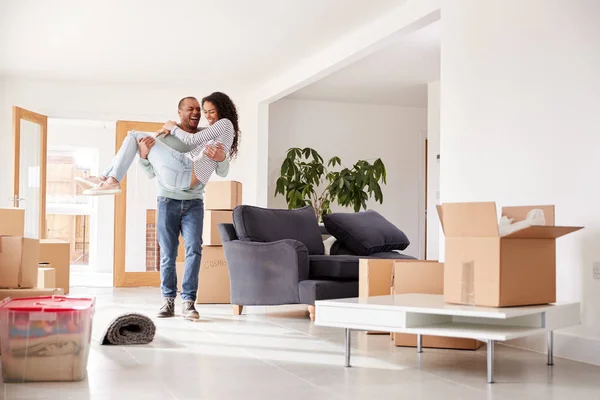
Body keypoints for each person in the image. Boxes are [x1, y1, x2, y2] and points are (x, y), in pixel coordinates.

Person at [77, 93, 241, 319]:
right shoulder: (164, 138)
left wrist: (221, 158)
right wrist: (144, 157)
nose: (198, 114)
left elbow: (221, 171)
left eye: (201, 111)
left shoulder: (205, 134)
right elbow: (151, 172)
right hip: (167, 200)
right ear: (180, 112)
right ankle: (168, 300)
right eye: (193, 110)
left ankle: (189, 302)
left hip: (193, 201)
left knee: (194, 249)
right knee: (168, 253)